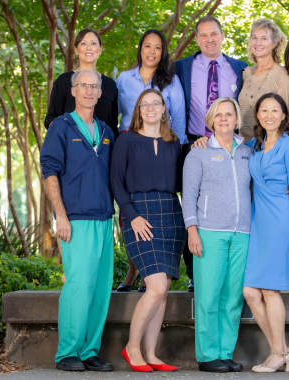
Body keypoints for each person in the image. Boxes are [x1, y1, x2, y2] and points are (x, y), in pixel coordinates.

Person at [40, 70, 116, 372]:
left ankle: (89, 350)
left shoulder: (106, 130)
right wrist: (60, 215)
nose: (89, 91)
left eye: (94, 86)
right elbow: (50, 171)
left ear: (100, 93)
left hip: (104, 219)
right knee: (78, 285)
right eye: (83, 85)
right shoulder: (61, 127)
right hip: (75, 219)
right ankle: (67, 352)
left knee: (100, 287)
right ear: (73, 91)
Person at [110, 89, 184, 372]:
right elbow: (116, 182)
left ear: (165, 109)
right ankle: (132, 348)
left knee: (163, 289)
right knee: (154, 287)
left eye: (156, 103)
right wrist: (132, 216)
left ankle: (151, 354)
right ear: (138, 110)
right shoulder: (126, 140)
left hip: (170, 212)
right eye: (145, 104)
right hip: (139, 213)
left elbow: (180, 180)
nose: (151, 108)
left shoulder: (172, 142)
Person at [175, 15, 248, 292]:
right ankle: (195, 273)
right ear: (196, 39)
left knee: (229, 202)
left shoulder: (240, 69)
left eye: (214, 34)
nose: (209, 40)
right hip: (195, 144)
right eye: (203, 35)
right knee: (191, 204)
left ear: (222, 36)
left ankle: (231, 271)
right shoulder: (181, 68)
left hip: (230, 145)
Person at [182, 98, 252, 373]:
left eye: (229, 114)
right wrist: (192, 231)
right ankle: (208, 355)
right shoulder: (198, 153)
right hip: (209, 233)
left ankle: (225, 352)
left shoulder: (247, 151)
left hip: (242, 233)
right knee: (208, 296)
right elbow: (188, 197)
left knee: (232, 298)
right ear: (211, 120)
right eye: (218, 115)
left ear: (236, 118)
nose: (224, 119)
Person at [115, 29, 187, 293]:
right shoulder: (124, 79)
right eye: (148, 46)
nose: (152, 52)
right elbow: (118, 113)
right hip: (130, 144)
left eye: (158, 47)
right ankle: (134, 271)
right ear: (140, 49)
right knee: (130, 215)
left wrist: (172, 149)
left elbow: (177, 119)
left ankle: (147, 277)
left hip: (162, 145)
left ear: (163, 52)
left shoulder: (171, 81)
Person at [242, 93, 289, 373]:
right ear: (257, 115)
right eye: (263, 110)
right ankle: (281, 350)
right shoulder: (253, 146)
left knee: (269, 289)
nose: (269, 115)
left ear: (283, 116)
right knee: (250, 292)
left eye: (274, 110)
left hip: (281, 221)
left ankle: (278, 353)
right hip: (257, 221)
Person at [45, 28, 118, 136]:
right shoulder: (63, 81)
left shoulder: (110, 85)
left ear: (100, 49)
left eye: (93, 43)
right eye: (83, 43)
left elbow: (112, 126)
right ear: (76, 50)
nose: (89, 48)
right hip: (71, 149)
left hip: (103, 150)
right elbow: (52, 119)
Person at [238, 19, 289, 141]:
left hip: (267, 147)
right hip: (241, 147)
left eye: (264, 38)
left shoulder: (283, 76)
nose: (258, 43)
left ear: (274, 44)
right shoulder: (246, 73)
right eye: (254, 38)